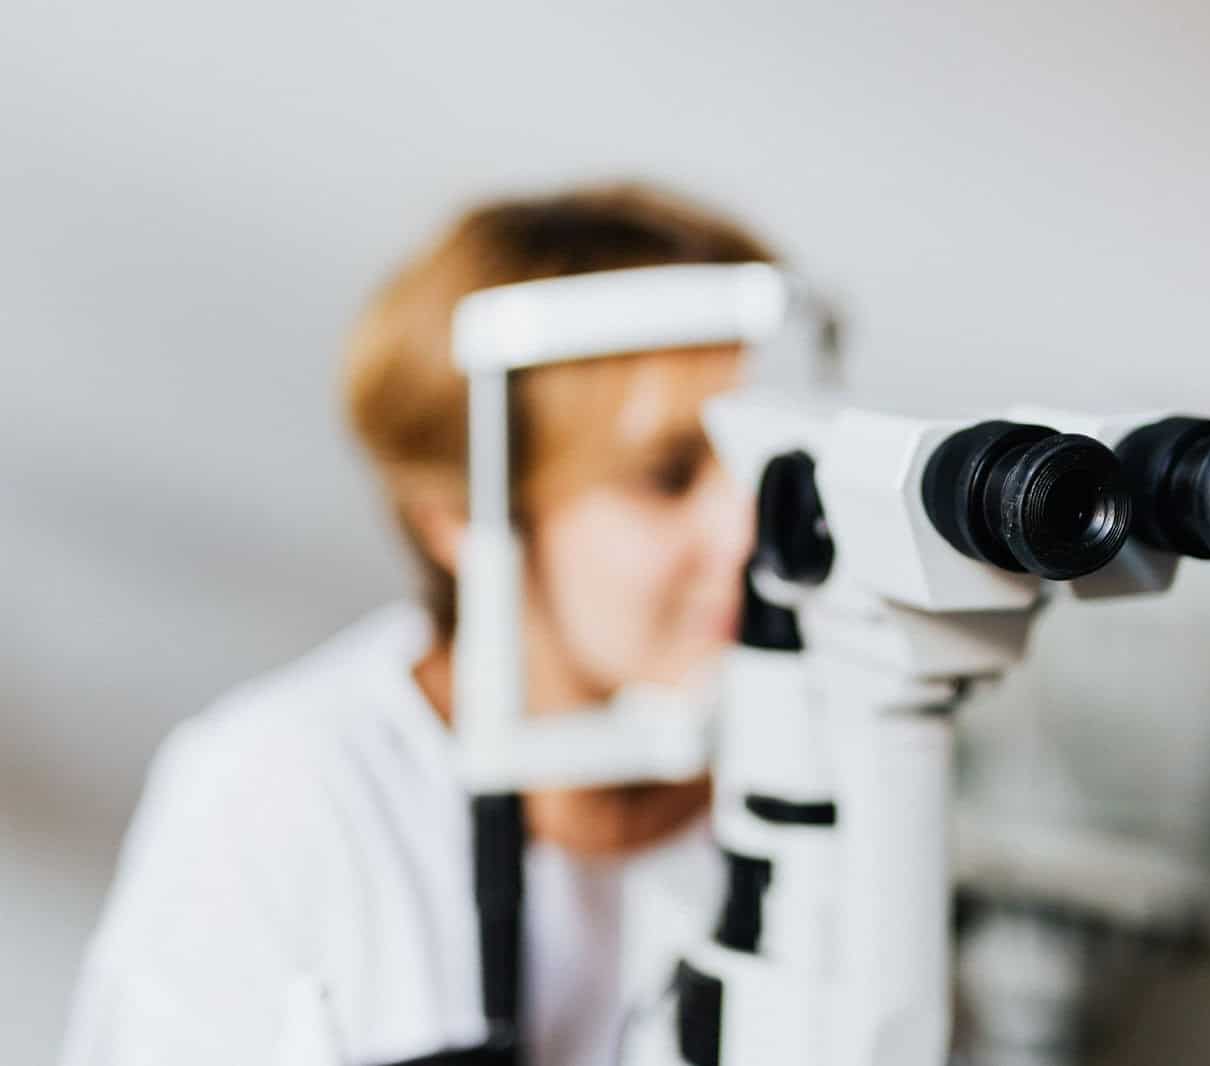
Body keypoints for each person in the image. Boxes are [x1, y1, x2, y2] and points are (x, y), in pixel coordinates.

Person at [62, 182, 777, 1066]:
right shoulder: (286, 795)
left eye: (764, 465)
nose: (747, 529)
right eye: (667, 476)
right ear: (460, 514)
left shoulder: (828, 776)